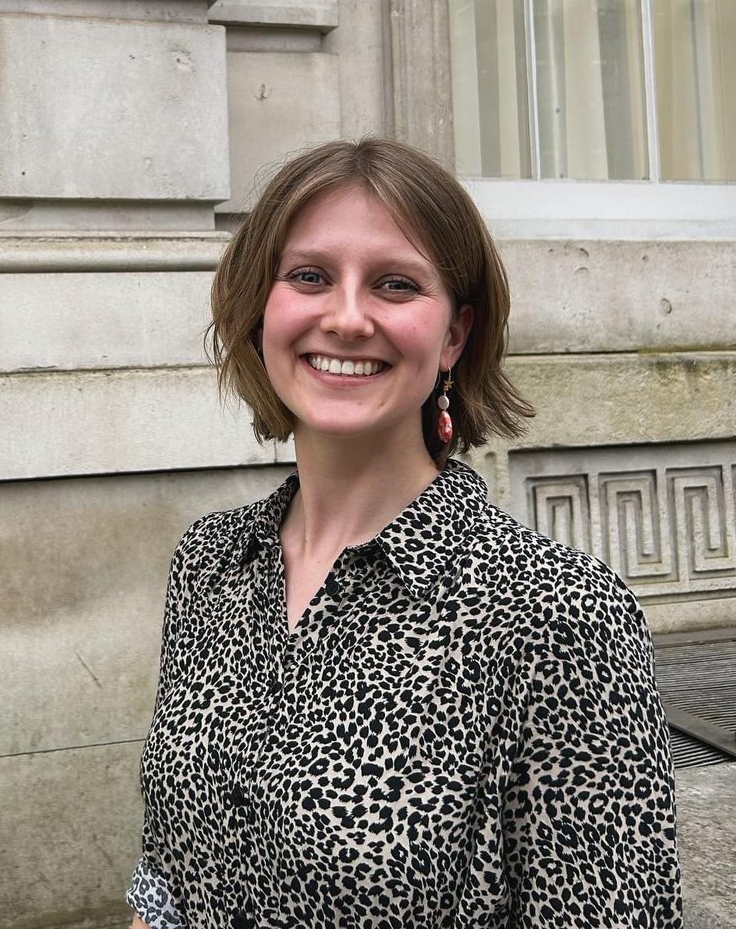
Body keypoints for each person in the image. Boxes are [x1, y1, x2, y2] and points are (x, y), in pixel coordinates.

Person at [126, 138, 681, 929]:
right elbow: (166, 876)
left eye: (395, 284)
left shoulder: (556, 612)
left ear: (453, 335)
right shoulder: (210, 562)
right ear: (260, 309)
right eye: (309, 276)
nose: (346, 318)